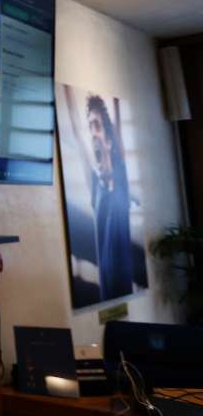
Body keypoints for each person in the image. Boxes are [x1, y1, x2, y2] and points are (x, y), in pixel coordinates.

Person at [64, 88, 133, 301]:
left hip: (125, 285)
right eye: (90, 126)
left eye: (97, 125)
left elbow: (118, 122)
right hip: (107, 292)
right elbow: (77, 133)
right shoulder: (94, 184)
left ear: (110, 140)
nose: (93, 132)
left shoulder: (122, 175)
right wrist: (66, 91)